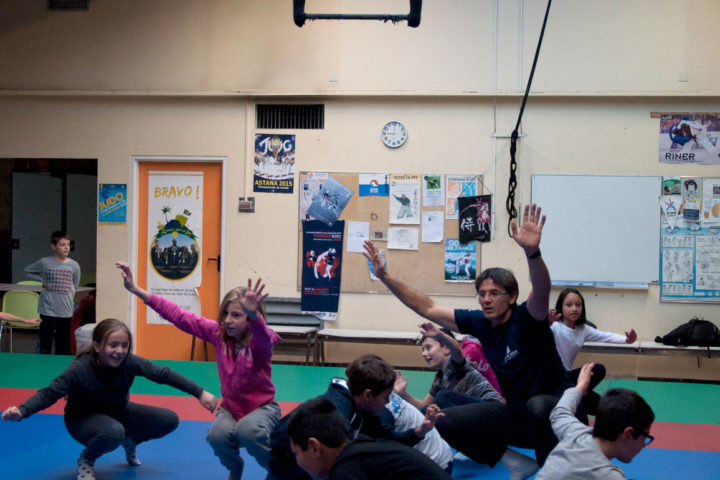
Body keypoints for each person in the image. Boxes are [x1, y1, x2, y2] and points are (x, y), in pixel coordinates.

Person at [363, 204, 572, 477]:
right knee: (442, 411)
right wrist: (385, 277)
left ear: (511, 296)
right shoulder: (481, 323)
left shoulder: (528, 318)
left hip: (556, 417)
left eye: (494, 293)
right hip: (517, 417)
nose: (486, 299)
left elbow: (542, 289)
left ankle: (559, 468)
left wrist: (532, 252)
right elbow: (427, 308)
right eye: (481, 294)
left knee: (539, 407)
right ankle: (513, 461)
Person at [116, 262, 281, 480]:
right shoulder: (218, 334)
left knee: (248, 431)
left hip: (262, 408)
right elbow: (178, 315)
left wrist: (253, 317)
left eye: (237, 316)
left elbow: (265, 337)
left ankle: (278, 469)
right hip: (232, 409)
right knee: (216, 437)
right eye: (226, 314)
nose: (228, 321)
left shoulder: (259, 345)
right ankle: (235, 466)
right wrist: (138, 291)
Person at [1, 318, 217, 480]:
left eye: (124, 345)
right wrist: (22, 410)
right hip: (82, 420)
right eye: (113, 345)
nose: (119, 351)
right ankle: (87, 459)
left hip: (119, 413)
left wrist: (199, 392)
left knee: (169, 419)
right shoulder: (80, 369)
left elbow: (163, 374)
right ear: (97, 346)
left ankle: (130, 441)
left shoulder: (129, 363)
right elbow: (50, 393)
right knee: (113, 432)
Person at [268, 354, 444, 480]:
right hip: (289, 459)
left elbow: (387, 441)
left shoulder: (365, 411)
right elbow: (280, 436)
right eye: (386, 396)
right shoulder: (336, 413)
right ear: (368, 395)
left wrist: (421, 431)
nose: (388, 402)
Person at [536, 364, 655, 479]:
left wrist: (580, 387)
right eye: (645, 438)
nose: (643, 446)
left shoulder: (576, 433)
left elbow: (560, 412)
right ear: (628, 434)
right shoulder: (606, 475)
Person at [286, 397, 452, 480]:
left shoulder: (346, 472)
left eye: (296, 454)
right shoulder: (359, 449)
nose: (297, 461)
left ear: (314, 447)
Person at [549, 288, 637, 414]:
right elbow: (537, 335)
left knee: (604, 406)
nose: (574, 308)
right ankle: (574, 395)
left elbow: (605, 336)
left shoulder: (583, 329)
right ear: (560, 307)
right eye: (569, 305)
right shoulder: (555, 327)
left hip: (568, 379)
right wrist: (546, 322)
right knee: (597, 370)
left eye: (578, 305)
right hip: (553, 381)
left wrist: (627, 340)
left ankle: (577, 394)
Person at [394, 321, 503, 411]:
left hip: (494, 409)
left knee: (443, 396)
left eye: (428, 348)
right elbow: (423, 406)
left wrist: (440, 335)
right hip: (474, 414)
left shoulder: (454, 363)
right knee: (427, 411)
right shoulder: (439, 380)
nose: (424, 353)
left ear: (446, 349)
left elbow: (456, 350)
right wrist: (403, 393)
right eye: (423, 350)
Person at [24, 230, 81, 354]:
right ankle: (43, 369)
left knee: (63, 344)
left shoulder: (74, 265)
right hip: (47, 309)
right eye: (62, 244)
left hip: (65, 310)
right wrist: (42, 280)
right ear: (53, 246)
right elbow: (28, 271)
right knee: (46, 343)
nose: (66, 247)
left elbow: (75, 284)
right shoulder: (44, 262)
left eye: (68, 244)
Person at [385, 392, 454, 473]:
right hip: (444, 457)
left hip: (435, 467)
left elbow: (390, 447)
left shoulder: (381, 411)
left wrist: (421, 430)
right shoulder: (384, 395)